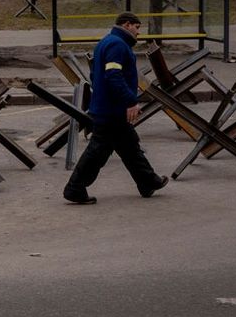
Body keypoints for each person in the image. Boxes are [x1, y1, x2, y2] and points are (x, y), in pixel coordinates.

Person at [62, 11, 169, 205]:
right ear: (127, 25)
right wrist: (129, 100)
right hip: (111, 109)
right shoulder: (117, 45)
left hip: (108, 106)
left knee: (129, 145)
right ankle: (75, 188)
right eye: (137, 28)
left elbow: (95, 75)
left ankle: (148, 182)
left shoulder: (107, 41)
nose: (138, 33)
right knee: (98, 151)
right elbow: (113, 75)